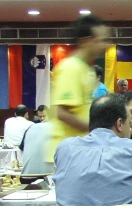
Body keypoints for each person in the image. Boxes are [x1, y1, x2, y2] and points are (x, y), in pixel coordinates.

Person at [46, 14, 110, 163]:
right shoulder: (71, 68)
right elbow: (60, 112)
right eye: (101, 40)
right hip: (69, 152)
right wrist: (97, 129)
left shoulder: (84, 69)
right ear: (85, 41)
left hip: (80, 150)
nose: (105, 45)